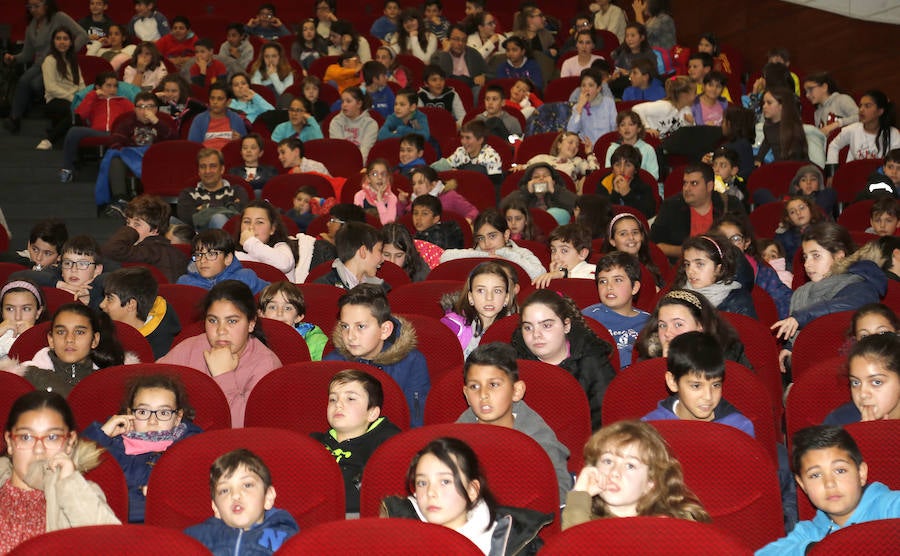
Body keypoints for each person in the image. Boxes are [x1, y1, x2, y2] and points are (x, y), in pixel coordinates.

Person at [379, 437, 552, 554]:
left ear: (472, 490)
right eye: (422, 483)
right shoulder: (397, 530)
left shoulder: (509, 541)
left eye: (445, 481)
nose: (430, 493)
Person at [0, 391, 120, 552]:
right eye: (26, 437)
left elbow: (112, 545)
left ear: (70, 442)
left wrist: (69, 486)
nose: (39, 450)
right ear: (9, 441)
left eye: (52, 437)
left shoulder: (80, 494)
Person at [756, 425, 900, 555]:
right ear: (803, 485)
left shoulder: (890, 507)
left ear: (861, 473)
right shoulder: (809, 532)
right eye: (816, 475)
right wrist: (816, 549)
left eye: (840, 470)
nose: (829, 483)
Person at [458, 342, 572, 502]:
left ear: (516, 391)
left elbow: (558, 491)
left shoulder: (539, 439)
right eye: (474, 386)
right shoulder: (456, 439)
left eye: (493, 385)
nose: (483, 394)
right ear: (467, 394)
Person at [81, 374, 202, 522]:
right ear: (130, 414)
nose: (152, 421)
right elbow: (73, 468)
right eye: (143, 412)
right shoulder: (111, 444)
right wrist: (101, 434)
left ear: (178, 418)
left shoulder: (191, 447)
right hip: (113, 525)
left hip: (170, 526)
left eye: (163, 413)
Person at [159, 281, 280, 426]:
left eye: (232, 321)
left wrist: (223, 376)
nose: (221, 330)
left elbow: (246, 427)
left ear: (251, 323)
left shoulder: (266, 365)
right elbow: (149, 388)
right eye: (213, 320)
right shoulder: (190, 347)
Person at [772, 223, 888, 375]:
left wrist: (800, 317)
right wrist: (789, 348)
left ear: (839, 255)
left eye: (816, 256)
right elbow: (800, 334)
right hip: (810, 369)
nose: (807, 264)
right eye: (805, 257)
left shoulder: (860, 284)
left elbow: (848, 304)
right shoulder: (802, 292)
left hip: (851, 368)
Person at [562, 420, 709, 528]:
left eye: (630, 465)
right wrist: (580, 495)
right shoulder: (581, 519)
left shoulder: (676, 524)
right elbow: (572, 548)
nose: (614, 473)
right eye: (607, 461)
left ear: (651, 482)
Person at [323, 284, 431, 428]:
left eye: (360, 326)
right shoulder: (332, 362)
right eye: (345, 326)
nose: (350, 336)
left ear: (385, 330)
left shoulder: (411, 362)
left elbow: (416, 422)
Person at [512, 289, 616, 430]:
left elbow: (606, 421)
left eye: (546, 325)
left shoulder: (592, 362)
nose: (536, 334)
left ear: (566, 325)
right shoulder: (514, 364)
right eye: (528, 327)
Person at [311, 369, 401, 513]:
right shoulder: (313, 443)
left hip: (358, 518)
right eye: (333, 399)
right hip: (313, 515)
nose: (338, 405)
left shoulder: (388, 444)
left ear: (372, 413)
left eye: (350, 399)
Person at [184, 448, 299, 553]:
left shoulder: (286, 537)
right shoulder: (198, 536)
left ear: (268, 497)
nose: (235, 495)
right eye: (224, 490)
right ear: (216, 508)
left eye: (247, 485)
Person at [642, 331, 754, 437]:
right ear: (672, 382)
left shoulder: (739, 428)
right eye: (696, 386)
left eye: (716, 385)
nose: (708, 397)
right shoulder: (651, 429)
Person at [3, 0, 88, 134]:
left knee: (36, 84)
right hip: (40, 64)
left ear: (46, 5)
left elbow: (83, 35)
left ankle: (49, 114)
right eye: (30, 7)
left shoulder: (59, 17)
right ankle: (15, 118)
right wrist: (14, 58)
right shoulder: (31, 26)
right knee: (24, 80)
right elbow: (27, 54)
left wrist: (67, 52)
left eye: (37, 6)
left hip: (57, 62)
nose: (33, 9)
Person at [5, 303, 127, 396]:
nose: (69, 339)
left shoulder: (109, 382)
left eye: (79, 332)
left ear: (94, 340)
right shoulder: (27, 377)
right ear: (51, 340)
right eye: (61, 332)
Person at [92, 92, 176, 205]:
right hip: (131, 158)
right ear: (135, 109)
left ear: (156, 109)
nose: (145, 111)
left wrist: (156, 122)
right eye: (141, 107)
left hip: (155, 159)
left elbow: (174, 141)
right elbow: (114, 142)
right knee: (115, 159)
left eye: (150, 106)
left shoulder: (162, 123)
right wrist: (129, 153)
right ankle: (120, 199)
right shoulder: (127, 122)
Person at [635, 289, 752, 368]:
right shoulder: (648, 358)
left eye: (678, 324)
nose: (667, 333)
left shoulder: (728, 356)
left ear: (700, 325)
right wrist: (663, 365)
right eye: (662, 325)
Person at [710, 213, 793, 319]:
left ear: (746, 242)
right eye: (722, 238)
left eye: (736, 239)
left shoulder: (764, 273)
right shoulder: (703, 268)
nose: (729, 244)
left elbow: (784, 302)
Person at [58, 71, 133, 181]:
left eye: (115, 86)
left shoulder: (124, 101)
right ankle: (68, 169)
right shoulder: (93, 100)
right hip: (97, 132)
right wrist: (93, 95)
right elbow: (81, 115)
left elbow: (134, 116)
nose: (112, 90)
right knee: (74, 131)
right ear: (98, 87)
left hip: (117, 132)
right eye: (108, 86)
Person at [651, 163, 734, 260]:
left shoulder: (729, 204)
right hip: (680, 267)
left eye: (694, 183)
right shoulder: (671, 206)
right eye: (685, 183)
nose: (687, 189)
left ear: (710, 186)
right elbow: (655, 245)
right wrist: (691, 252)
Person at [582, 251, 649, 368]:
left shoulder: (649, 322)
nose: (609, 287)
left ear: (635, 287)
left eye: (617, 280)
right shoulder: (586, 318)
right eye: (603, 281)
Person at [101, 195, 189, 284]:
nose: (130, 228)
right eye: (128, 223)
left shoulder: (152, 249)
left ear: (155, 230)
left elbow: (111, 249)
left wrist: (130, 231)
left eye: (137, 224)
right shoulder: (165, 249)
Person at [440, 208, 546, 280]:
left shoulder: (521, 253)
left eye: (492, 236)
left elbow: (539, 274)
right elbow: (444, 257)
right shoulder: (475, 253)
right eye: (481, 238)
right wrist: (486, 256)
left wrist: (505, 254)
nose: (487, 243)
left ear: (506, 235)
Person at [99, 266, 181, 359]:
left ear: (131, 304)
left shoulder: (158, 350)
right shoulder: (106, 327)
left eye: (109, 298)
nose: (101, 305)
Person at [441, 261, 519, 358]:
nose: (489, 298)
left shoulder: (515, 330)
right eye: (481, 291)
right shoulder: (453, 325)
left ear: (506, 298)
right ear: (470, 297)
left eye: (497, 291)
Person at [823, 332, 899, 425]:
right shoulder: (838, 421)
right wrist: (861, 435)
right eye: (856, 383)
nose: (863, 394)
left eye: (876, 382)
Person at [672, 233, 756, 318]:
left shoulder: (738, 302)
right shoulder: (678, 294)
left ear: (718, 268)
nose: (690, 271)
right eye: (687, 264)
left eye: (700, 264)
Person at [12, 235, 107, 308]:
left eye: (82, 264)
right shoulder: (54, 277)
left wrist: (91, 296)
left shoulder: (104, 295)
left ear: (97, 270)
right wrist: (59, 284)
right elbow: (15, 277)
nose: (73, 269)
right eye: (68, 263)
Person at [34, 27, 85, 151]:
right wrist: (73, 98)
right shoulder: (50, 60)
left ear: (71, 42)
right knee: (74, 113)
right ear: (53, 42)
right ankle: (49, 139)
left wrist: (83, 98)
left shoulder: (73, 61)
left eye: (65, 39)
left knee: (82, 112)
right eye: (58, 39)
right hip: (55, 100)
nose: (62, 42)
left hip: (73, 99)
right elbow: (51, 88)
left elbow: (81, 84)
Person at [826, 90, 900, 173]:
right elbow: (834, 145)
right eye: (860, 106)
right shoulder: (852, 129)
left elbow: (896, 160)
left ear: (880, 111)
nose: (861, 110)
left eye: (867, 106)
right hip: (855, 176)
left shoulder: (893, 134)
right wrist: (832, 173)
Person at [177, 148, 250, 231]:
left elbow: (239, 216)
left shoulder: (237, 191)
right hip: (197, 238)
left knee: (218, 219)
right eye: (203, 167)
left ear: (222, 169)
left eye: (213, 166)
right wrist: (228, 208)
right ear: (198, 171)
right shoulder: (188, 194)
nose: (207, 171)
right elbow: (188, 219)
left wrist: (204, 209)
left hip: (229, 237)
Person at [176, 229, 269, 294]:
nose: (203, 260)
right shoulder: (185, 283)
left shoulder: (245, 278)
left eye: (211, 254)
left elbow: (274, 294)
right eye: (198, 255)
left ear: (228, 259)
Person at [257, 281, 327, 361]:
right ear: (261, 314)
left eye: (287, 308)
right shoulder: (253, 339)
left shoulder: (316, 341)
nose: (279, 313)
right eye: (272, 307)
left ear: (298, 317)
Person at [314, 221, 387, 291]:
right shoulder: (324, 288)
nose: (382, 259)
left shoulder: (379, 287)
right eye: (380, 250)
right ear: (363, 251)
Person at [234, 200, 296, 278]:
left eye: (259, 222)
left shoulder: (281, 247)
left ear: (272, 229)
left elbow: (284, 265)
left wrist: (250, 242)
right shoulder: (232, 253)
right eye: (246, 221)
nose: (251, 227)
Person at [596, 145, 657, 219]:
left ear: (635, 170)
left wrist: (627, 194)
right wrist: (615, 193)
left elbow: (647, 215)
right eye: (617, 165)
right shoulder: (604, 184)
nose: (622, 170)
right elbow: (601, 216)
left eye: (628, 165)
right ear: (612, 169)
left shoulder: (644, 187)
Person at [432, 120, 504, 183]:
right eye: (462, 137)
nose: (463, 141)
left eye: (468, 138)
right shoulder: (460, 151)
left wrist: (459, 173)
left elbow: (495, 183)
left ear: (480, 140)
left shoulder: (491, 156)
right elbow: (443, 166)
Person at [402, 165, 479, 223]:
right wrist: (402, 203)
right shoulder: (414, 201)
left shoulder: (450, 196)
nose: (416, 187)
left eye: (420, 183)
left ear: (433, 184)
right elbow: (404, 219)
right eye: (413, 184)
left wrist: (465, 223)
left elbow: (473, 211)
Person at [755, 87, 809, 166]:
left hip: (795, 168)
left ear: (782, 106)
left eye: (769, 103)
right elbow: (766, 142)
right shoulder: (767, 126)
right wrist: (758, 159)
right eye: (764, 103)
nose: (764, 106)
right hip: (780, 166)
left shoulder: (792, 128)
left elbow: (795, 158)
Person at [187, 83, 248, 151]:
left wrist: (239, 141)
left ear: (228, 102)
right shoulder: (199, 120)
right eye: (212, 98)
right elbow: (193, 147)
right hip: (206, 158)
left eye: (220, 99)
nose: (215, 102)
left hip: (229, 157)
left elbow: (245, 145)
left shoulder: (236, 119)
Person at [532, 223, 596, 288]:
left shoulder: (592, 270)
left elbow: (597, 281)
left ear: (582, 254)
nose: (556, 257)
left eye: (564, 251)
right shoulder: (552, 274)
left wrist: (563, 274)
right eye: (553, 250)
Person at [528, 131, 600, 187]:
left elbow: (595, 173)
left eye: (577, 145)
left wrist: (589, 153)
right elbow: (524, 169)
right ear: (559, 145)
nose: (574, 146)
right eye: (570, 142)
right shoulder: (543, 158)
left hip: (565, 194)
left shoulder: (577, 161)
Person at [633, 75, 695, 140]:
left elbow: (685, 133)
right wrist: (647, 128)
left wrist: (690, 123)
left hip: (666, 144)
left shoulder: (686, 110)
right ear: (684, 95)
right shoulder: (665, 106)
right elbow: (636, 109)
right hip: (649, 142)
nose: (696, 96)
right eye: (694, 93)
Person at [602, 111, 659, 181]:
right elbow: (609, 173)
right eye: (622, 125)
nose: (626, 128)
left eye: (631, 124)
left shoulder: (648, 149)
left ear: (639, 128)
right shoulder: (612, 149)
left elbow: (653, 176)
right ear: (619, 130)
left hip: (641, 187)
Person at [566, 68, 616, 145]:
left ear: (598, 88)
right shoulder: (577, 107)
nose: (586, 89)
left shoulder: (608, 103)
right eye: (583, 85)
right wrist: (579, 107)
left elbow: (615, 128)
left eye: (590, 85)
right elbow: (571, 132)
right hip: (587, 149)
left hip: (607, 147)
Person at [0, 279, 47, 360]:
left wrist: (32, 337)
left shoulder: (50, 339)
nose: (18, 317)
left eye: (26, 309)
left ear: (38, 312)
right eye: (10, 309)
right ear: (2, 312)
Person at [431, 24, 487, 90]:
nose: (460, 43)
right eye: (456, 39)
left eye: (464, 40)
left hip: (470, 90)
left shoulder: (473, 53)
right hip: (448, 92)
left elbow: (488, 72)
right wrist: (445, 52)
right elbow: (442, 77)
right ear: (447, 40)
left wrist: (484, 76)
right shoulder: (437, 56)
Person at [774, 196, 824, 269]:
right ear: (788, 218)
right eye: (792, 212)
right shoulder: (783, 235)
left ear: (810, 209)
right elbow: (781, 261)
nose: (798, 213)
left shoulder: (825, 229)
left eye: (802, 208)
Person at [329, 86, 378, 160]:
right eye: (342, 101)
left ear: (359, 104)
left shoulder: (370, 124)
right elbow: (338, 149)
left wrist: (356, 165)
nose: (344, 105)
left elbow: (365, 151)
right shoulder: (336, 122)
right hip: (341, 162)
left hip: (361, 164)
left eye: (348, 101)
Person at [803, 72, 858, 137]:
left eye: (810, 89)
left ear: (824, 87)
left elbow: (860, 117)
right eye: (806, 92)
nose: (807, 95)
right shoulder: (817, 113)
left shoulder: (842, 99)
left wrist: (836, 124)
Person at [354, 159, 401, 226]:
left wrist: (379, 200)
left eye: (383, 174)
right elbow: (358, 223)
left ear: (388, 178)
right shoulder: (360, 196)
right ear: (368, 178)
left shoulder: (392, 198)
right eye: (375, 174)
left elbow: (388, 224)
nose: (379, 177)